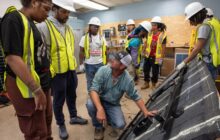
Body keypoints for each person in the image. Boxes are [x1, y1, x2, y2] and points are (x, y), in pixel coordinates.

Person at [0, 0, 53, 139]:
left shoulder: (30, 22)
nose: (48, 14)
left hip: (41, 81)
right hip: (25, 86)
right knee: (35, 130)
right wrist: (36, 89)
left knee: (46, 123)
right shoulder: (13, 19)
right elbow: (12, 58)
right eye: (46, 9)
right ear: (34, 2)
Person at [37, 0, 88, 139]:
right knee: (58, 101)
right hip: (57, 73)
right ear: (54, 9)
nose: (67, 15)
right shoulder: (44, 26)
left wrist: (76, 67)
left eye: (68, 12)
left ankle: (73, 116)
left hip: (71, 70)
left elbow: (71, 50)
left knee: (72, 95)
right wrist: (51, 72)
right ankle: (61, 124)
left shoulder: (68, 28)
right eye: (64, 12)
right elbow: (42, 54)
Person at [86, 51, 157, 140]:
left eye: (115, 59)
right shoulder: (103, 70)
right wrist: (100, 109)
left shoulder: (127, 80)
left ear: (122, 66)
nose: (111, 59)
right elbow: (93, 90)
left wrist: (145, 112)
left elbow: (136, 97)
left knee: (120, 124)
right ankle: (98, 127)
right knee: (90, 104)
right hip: (99, 99)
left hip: (112, 104)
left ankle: (106, 116)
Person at [177, 2, 220, 80]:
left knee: (206, 88)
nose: (190, 23)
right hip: (214, 60)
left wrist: (184, 62)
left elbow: (197, 49)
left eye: (191, 19)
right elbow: (209, 42)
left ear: (196, 16)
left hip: (208, 61)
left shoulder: (204, 26)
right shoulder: (214, 22)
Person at [79, 17, 107, 93]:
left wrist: (107, 63)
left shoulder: (102, 38)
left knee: (101, 80)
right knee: (90, 81)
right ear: (90, 26)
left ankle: (100, 94)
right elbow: (81, 51)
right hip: (89, 64)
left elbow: (105, 51)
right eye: (94, 26)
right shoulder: (84, 38)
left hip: (100, 63)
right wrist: (81, 64)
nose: (96, 28)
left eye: (97, 26)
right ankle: (91, 95)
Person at [141, 16, 167, 89]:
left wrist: (161, 58)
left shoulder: (163, 35)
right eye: (152, 24)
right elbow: (146, 43)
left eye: (154, 25)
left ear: (158, 26)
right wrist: (143, 50)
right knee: (145, 69)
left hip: (156, 57)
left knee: (155, 72)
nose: (152, 26)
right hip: (148, 55)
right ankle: (146, 83)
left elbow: (163, 48)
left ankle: (153, 84)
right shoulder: (149, 33)